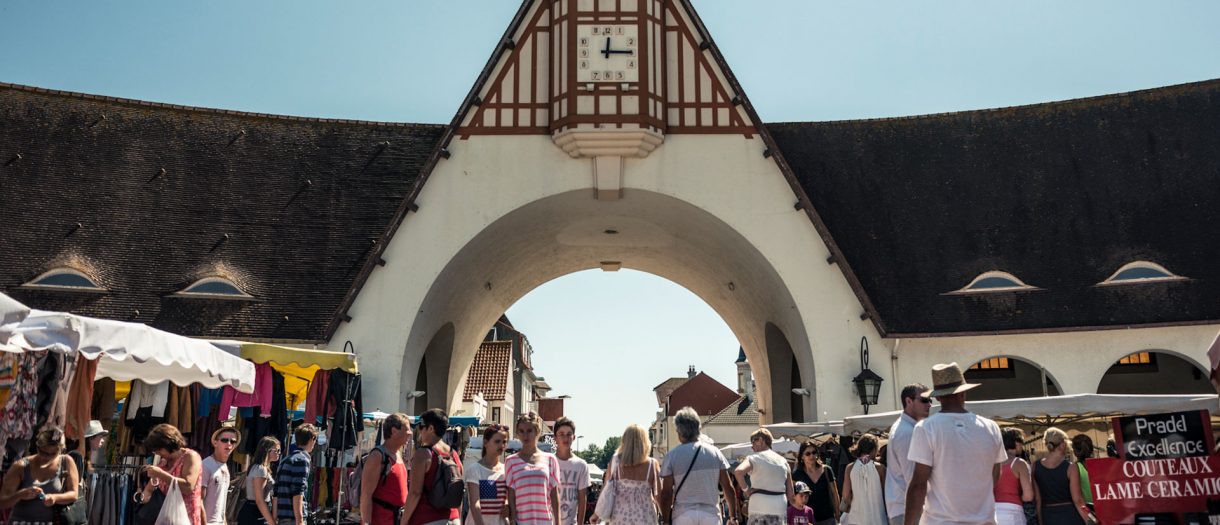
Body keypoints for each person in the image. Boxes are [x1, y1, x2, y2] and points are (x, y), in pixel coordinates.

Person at [903, 362, 1005, 525]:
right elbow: (995, 473)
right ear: (963, 393)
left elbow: (918, 484)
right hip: (984, 520)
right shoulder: (991, 427)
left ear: (937, 397)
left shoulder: (926, 428)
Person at [660, 406, 741, 525]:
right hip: (710, 514)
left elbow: (666, 493)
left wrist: (666, 521)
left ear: (679, 431)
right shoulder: (715, 453)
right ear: (698, 428)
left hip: (683, 515)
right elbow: (727, 487)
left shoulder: (672, 456)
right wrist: (733, 516)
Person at [0, 427, 81, 525]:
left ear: (60, 450)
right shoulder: (21, 466)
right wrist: (20, 495)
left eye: (53, 454)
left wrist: (55, 498)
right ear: (37, 447)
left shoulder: (66, 462)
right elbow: (3, 502)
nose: (46, 457)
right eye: (43, 452)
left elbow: (74, 494)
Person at [135, 424, 204, 525]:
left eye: (159, 449)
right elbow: (149, 488)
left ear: (168, 444)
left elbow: (188, 486)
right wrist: (144, 496)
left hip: (185, 517)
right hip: (165, 519)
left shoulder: (190, 457)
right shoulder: (163, 462)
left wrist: (160, 474)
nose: (157, 453)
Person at [591, 423, 659, 524]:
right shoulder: (652, 464)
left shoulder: (615, 462)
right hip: (645, 517)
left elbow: (606, 489)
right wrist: (666, 519)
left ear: (624, 441)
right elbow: (659, 495)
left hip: (620, 517)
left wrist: (597, 514)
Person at [404, 408, 462, 525]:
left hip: (427, 518)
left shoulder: (423, 454)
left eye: (421, 426)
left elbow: (415, 493)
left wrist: (403, 521)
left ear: (431, 428)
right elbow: (458, 490)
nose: (419, 430)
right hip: (453, 518)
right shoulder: (454, 455)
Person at [504, 412, 561, 525]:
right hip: (521, 522)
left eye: (529, 431)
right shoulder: (510, 461)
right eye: (521, 431)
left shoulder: (550, 459)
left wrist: (558, 523)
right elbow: (511, 494)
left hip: (545, 521)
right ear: (517, 433)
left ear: (537, 432)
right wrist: (512, 520)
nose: (525, 435)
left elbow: (554, 495)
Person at [884, 384, 929, 525]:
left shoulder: (903, 427)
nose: (929, 404)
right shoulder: (907, 432)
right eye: (924, 400)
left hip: (903, 508)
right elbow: (914, 479)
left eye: (930, 400)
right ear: (909, 401)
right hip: (908, 510)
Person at [358, 412, 411, 525]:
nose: (410, 433)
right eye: (406, 430)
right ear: (394, 431)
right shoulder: (377, 456)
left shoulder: (398, 455)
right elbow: (366, 495)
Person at [735, 428, 795, 525]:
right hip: (779, 506)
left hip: (758, 506)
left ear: (761, 441)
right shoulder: (783, 461)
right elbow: (791, 494)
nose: (752, 447)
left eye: (753, 442)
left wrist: (747, 490)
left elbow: (738, 472)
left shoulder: (753, 458)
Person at [1032, 428, 1089, 525]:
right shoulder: (1071, 467)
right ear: (1062, 445)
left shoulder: (1035, 466)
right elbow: (1078, 500)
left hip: (1048, 516)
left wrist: (1040, 521)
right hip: (1070, 516)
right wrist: (1089, 519)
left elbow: (1037, 499)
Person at [465, 424, 509, 525]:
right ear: (485, 442)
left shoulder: (506, 470)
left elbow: (507, 500)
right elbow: (474, 504)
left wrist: (508, 507)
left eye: (504, 442)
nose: (502, 445)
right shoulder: (475, 469)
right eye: (497, 441)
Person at [275, 423, 318, 525]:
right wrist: (300, 521)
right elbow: (298, 492)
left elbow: (276, 492)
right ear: (312, 439)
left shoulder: (286, 460)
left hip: (283, 516)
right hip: (293, 518)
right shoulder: (302, 460)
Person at [841, 434, 886, 525]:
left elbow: (846, 496)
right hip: (878, 517)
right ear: (874, 449)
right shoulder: (880, 468)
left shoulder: (850, 468)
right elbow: (885, 494)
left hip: (856, 517)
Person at [553, 417, 590, 525]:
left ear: (574, 437)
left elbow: (582, 499)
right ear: (555, 438)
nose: (566, 437)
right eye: (561, 434)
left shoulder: (581, 465)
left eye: (569, 434)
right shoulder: (549, 462)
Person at [792, 441, 840, 525]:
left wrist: (837, 513)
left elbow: (835, 494)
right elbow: (794, 498)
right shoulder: (797, 475)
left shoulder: (826, 470)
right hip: (807, 520)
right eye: (808, 453)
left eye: (814, 452)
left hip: (828, 518)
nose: (811, 456)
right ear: (802, 456)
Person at [994, 428, 1034, 525]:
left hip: (993, 512)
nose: (1022, 446)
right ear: (1016, 442)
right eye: (1021, 442)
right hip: (1013, 512)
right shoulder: (1019, 463)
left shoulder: (991, 462)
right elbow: (1028, 496)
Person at [237, 436, 280, 525]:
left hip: (254, 511)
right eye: (276, 450)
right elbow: (259, 500)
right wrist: (272, 522)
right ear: (266, 451)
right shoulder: (261, 469)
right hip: (255, 513)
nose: (278, 453)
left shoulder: (258, 467)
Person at [202, 426, 239, 525]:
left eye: (233, 441)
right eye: (224, 440)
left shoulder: (224, 467)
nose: (229, 444)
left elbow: (221, 500)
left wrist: (224, 521)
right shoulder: (205, 465)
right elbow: (198, 499)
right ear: (215, 443)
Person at [1069, 434, 1094, 511]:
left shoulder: (1074, 468)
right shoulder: (1100, 464)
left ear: (1075, 451)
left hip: (1086, 510)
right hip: (1103, 506)